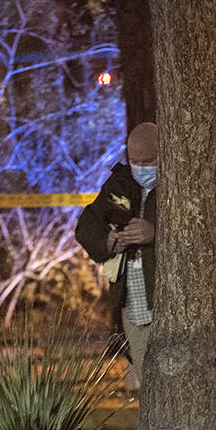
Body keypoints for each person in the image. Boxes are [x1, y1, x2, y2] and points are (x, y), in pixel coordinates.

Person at [75, 122, 159, 376]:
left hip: (162, 301)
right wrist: (109, 241)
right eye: (136, 162)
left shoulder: (180, 186)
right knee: (147, 379)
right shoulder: (120, 184)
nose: (142, 168)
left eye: (149, 161)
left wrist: (154, 234)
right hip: (130, 301)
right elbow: (87, 227)